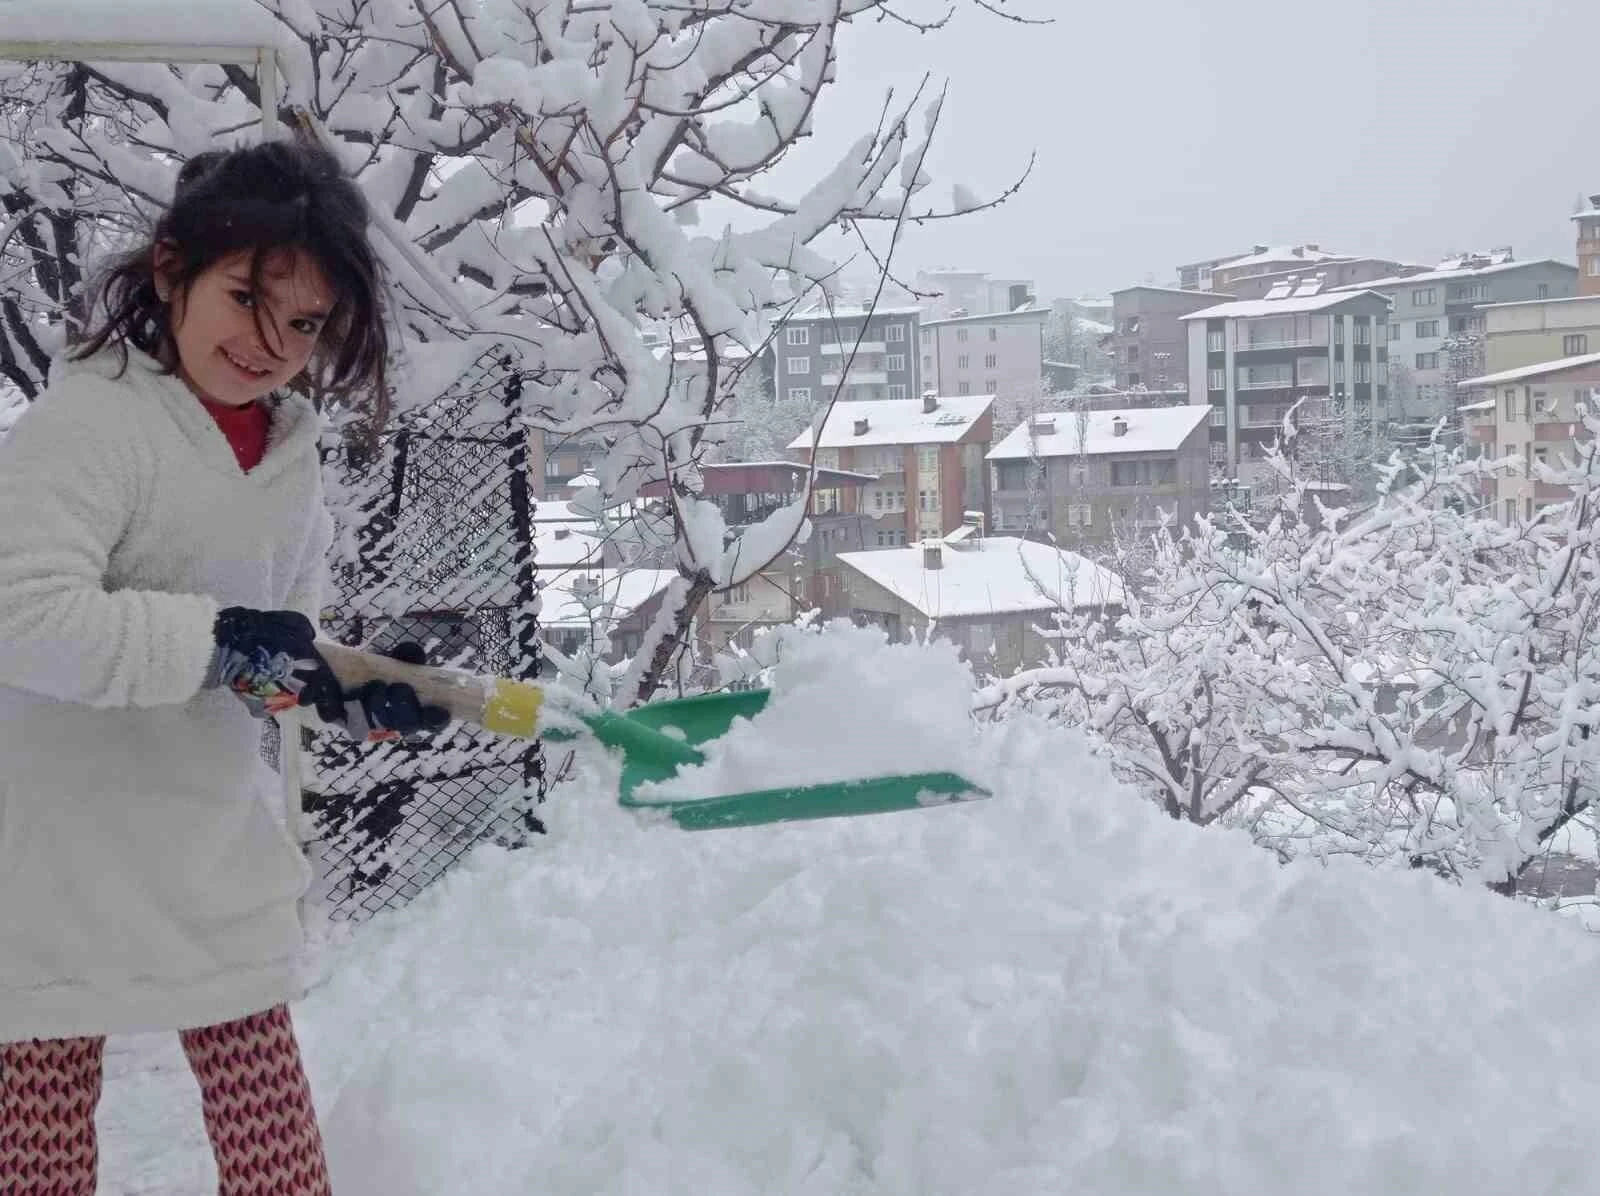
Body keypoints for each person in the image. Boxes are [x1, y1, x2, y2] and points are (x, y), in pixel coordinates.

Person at [0, 139, 448, 1194]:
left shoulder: (287, 454)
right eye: (245, 297)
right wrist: (217, 641)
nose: (269, 342)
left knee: (278, 1159)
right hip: (54, 854)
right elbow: (20, 611)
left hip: (208, 843)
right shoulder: (88, 425)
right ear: (171, 270)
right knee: (42, 1155)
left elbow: (266, 642)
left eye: (302, 322)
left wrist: (339, 684)